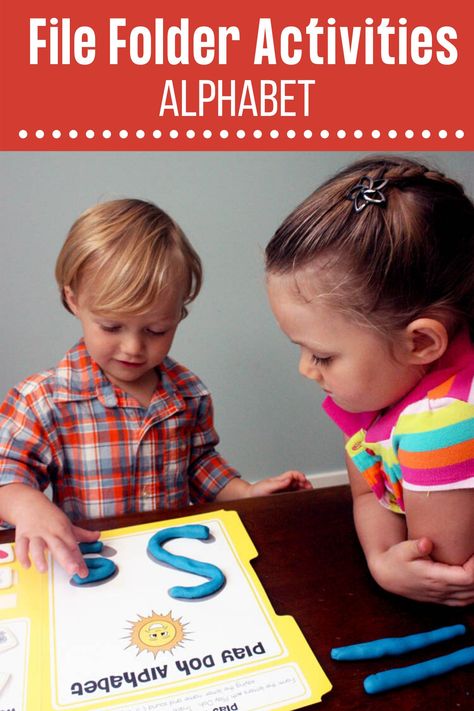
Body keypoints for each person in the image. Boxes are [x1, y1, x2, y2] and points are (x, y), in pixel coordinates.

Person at [0, 198, 311, 579]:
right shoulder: (43, 400)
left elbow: (199, 463)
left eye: (156, 330)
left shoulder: (189, 393)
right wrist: (29, 507)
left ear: (179, 313)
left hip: (171, 559)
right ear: (74, 300)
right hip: (91, 565)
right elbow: (7, 474)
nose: (133, 348)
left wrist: (244, 494)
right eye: (112, 327)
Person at [265, 155, 474, 606]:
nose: (305, 369)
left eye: (321, 355)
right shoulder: (393, 382)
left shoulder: (442, 423)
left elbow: (439, 570)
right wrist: (380, 556)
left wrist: (390, 563)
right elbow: (367, 484)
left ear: (420, 342)